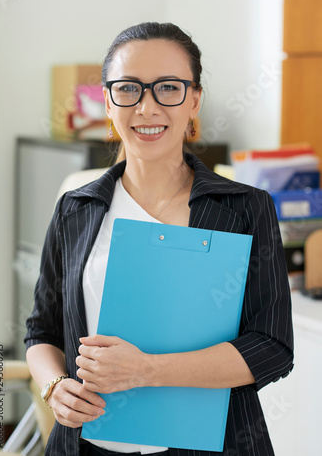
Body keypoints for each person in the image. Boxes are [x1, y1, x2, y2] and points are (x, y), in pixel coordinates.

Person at [25, 22, 294, 456]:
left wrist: (147, 370)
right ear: (109, 102)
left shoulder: (245, 208)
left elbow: (273, 347)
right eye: (128, 88)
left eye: (168, 88)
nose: (147, 107)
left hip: (211, 445)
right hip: (86, 444)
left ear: (194, 100)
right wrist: (55, 387)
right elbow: (42, 330)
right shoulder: (76, 208)